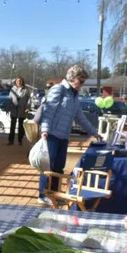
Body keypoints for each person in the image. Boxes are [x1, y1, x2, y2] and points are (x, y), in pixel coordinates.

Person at [37, 65, 100, 205]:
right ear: (72, 78)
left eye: (84, 82)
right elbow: (48, 111)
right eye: (81, 81)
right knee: (48, 166)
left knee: (59, 167)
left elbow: (80, 117)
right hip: (51, 135)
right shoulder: (58, 89)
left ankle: (54, 194)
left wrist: (94, 132)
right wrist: (44, 130)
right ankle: (43, 194)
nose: (82, 85)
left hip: (64, 136)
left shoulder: (74, 96)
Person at [7, 76, 31, 146]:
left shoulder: (25, 90)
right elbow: (9, 99)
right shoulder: (12, 89)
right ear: (15, 82)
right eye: (17, 81)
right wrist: (8, 108)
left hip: (22, 109)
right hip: (14, 110)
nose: (18, 82)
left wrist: (27, 107)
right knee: (12, 126)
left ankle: (20, 140)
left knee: (21, 126)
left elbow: (28, 99)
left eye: (20, 81)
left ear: (22, 82)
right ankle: (11, 141)